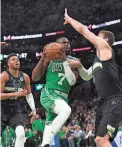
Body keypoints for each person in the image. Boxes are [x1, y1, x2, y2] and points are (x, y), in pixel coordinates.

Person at [63, 8, 122, 147]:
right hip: (103, 102)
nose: (95, 37)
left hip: (114, 99)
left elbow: (83, 30)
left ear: (105, 40)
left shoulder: (106, 48)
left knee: (102, 139)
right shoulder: (97, 60)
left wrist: (69, 19)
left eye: (98, 35)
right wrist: (79, 66)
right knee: (98, 140)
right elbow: (86, 75)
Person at [32, 38, 78, 147]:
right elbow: (35, 77)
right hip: (49, 93)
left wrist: (65, 62)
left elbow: (72, 81)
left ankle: (44, 144)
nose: (67, 44)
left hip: (63, 97)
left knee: (50, 123)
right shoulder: (50, 59)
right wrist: (43, 58)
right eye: (63, 42)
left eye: (68, 42)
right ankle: (47, 141)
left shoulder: (74, 61)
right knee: (66, 110)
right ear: (55, 45)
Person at [0, 53, 36, 147]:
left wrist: (33, 109)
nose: (16, 61)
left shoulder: (25, 77)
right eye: (13, 59)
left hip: (14, 109)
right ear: (8, 64)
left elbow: (29, 94)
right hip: (1, 109)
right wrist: (15, 94)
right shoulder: (4, 76)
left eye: (18, 59)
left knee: (21, 134)